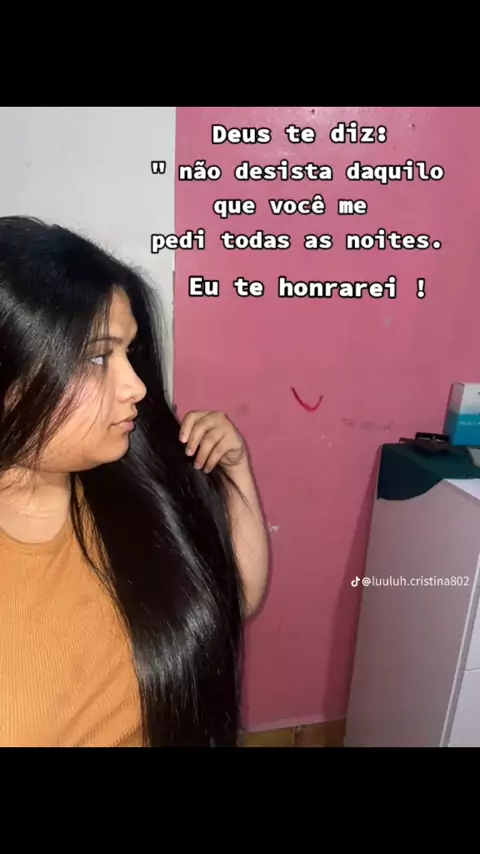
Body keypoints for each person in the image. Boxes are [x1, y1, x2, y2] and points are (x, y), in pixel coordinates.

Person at [0, 215, 269, 747]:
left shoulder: (132, 491)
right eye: (99, 356)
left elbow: (235, 597)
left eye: (127, 352)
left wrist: (236, 470)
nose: (136, 386)